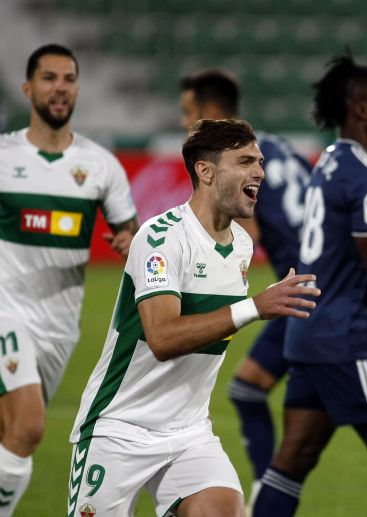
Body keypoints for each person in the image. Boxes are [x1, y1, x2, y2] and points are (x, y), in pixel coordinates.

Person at [67, 119, 320, 517]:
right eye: (244, 161)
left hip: (188, 432)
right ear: (205, 171)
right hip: (119, 428)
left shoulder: (241, 245)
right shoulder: (160, 237)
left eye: (259, 161)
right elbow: (163, 339)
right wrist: (255, 307)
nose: (259, 171)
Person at [251, 55, 367, 515]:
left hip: (307, 334)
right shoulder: (365, 178)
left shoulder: (327, 163)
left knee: (295, 457)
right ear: (361, 109)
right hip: (349, 341)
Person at [0, 43, 139, 516]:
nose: (60, 88)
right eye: (49, 78)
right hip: (5, 310)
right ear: (28, 88)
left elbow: (133, 239)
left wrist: (128, 245)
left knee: (9, 435)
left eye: (69, 79)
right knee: (30, 426)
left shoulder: (101, 166)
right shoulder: (3, 157)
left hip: (59, 329)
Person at [178, 69, 314, 502]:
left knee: (337, 406)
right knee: (327, 403)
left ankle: (264, 489)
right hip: (319, 281)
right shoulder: (269, 148)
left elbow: (241, 237)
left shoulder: (238, 164)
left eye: (189, 113)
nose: (185, 123)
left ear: (211, 113)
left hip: (307, 290)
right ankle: (264, 488)